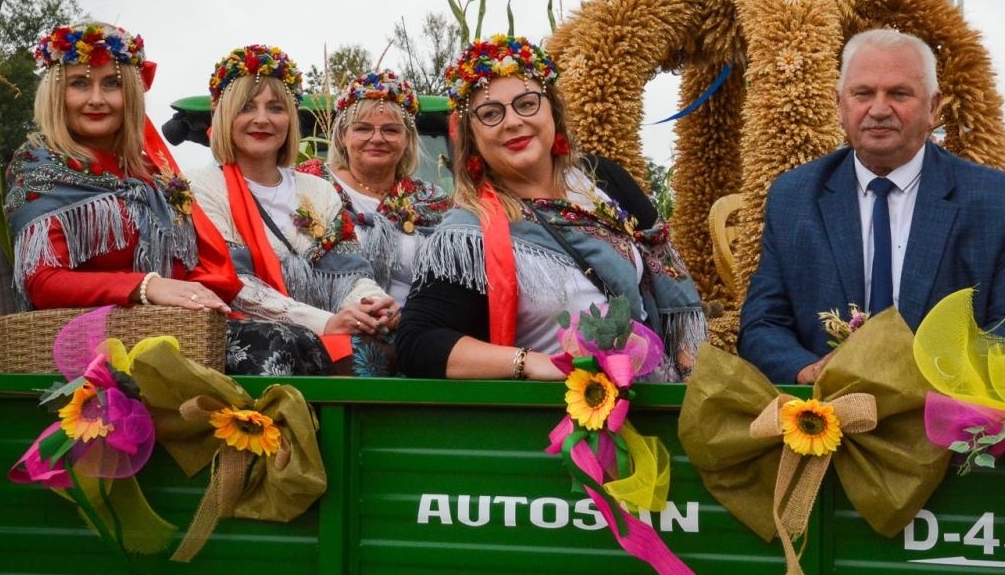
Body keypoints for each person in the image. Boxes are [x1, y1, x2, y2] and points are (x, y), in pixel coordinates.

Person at [739, 28, 1005, 385]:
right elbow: (762, 323)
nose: (878, 110)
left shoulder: (999, 202)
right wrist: (809, 372)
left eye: (899, 94)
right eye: (863, 93)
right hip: (825, 410)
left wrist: (933, 371)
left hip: (951, 408)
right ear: (839, 104)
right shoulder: (793, 198)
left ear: (933, 106)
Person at [394, 35, 703, 381]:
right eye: (491, 113)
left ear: (552, 110)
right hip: (565, 408)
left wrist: (691, 382)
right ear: (472, 136)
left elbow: (667, 286)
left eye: (527, 103)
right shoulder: (469, 232)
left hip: (656, 394)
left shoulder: (606, 181)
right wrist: (529, 363)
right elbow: (417, 343)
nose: (513, 121)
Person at [188, 45, 398, 376]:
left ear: (290, 118)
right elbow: (233, 285)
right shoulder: (201, 186)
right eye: (246, 107)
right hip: (249, 335)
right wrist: (325, 322)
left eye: (275, 108)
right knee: (282, 346)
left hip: (329, 329)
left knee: (390, 341)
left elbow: (351, 275)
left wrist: (372, 306)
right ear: (224, 115)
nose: (262, 119)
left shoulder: (318, 190)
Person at [7, 22, 241, 315]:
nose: (96, 99)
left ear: (131, 94)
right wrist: (146, 286)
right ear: (55, 95)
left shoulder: (152, 172)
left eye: (111, 84)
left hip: (185, 319)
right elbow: (42, 283)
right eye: (79, 83)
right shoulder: (39, 166)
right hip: (100, 333)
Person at [296, 69, 450, 306]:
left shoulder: (431, 201)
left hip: (413, 324)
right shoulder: (310, 186)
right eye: (363, 128)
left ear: (407, 139)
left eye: (391, 130)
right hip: (327, 322)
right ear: (343, 136)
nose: (377, 138)